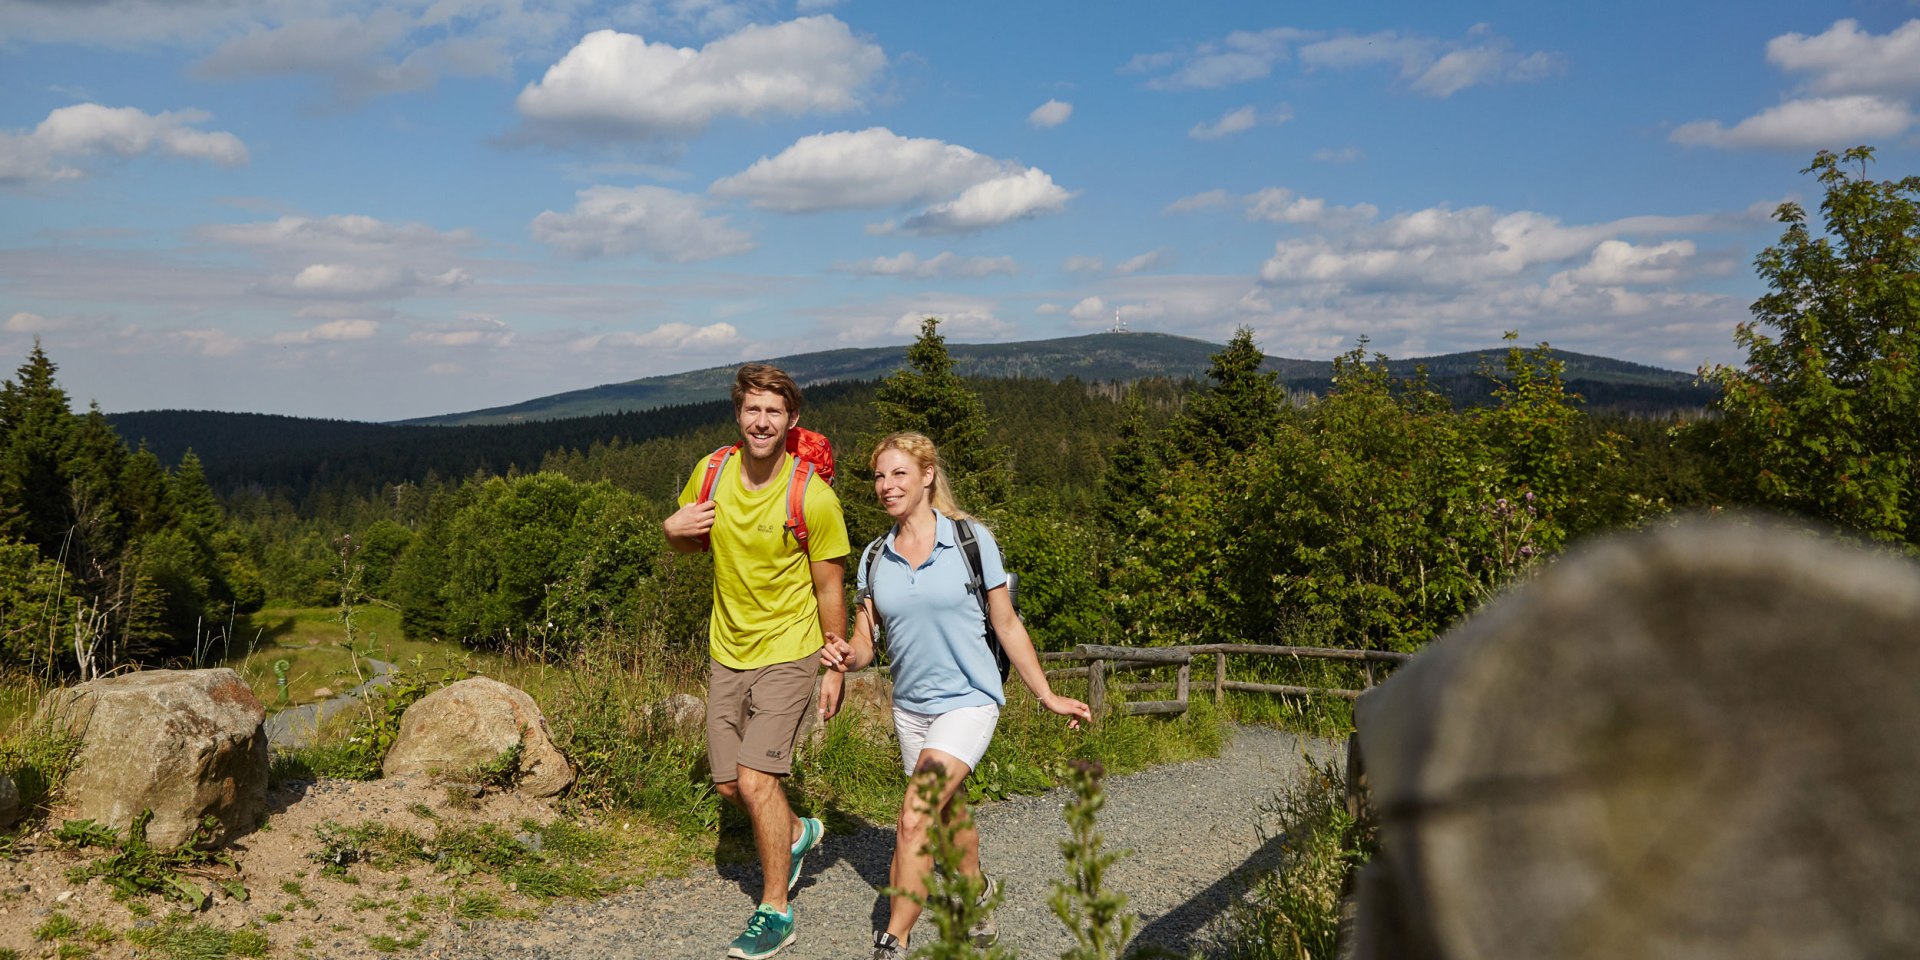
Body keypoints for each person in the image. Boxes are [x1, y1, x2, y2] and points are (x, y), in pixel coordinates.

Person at [819, 431, 1092, 960]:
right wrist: (843, 657)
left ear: (926, 475)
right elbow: (865, 642)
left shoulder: (970, 540)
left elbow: (1007, 625)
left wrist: (1047, 695)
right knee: (947, 813)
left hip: (969, 700)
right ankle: (977, 895)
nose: (886, 485)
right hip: (911, 709)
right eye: (879, 475)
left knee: (914, 814)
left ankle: (893, 940)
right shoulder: (876, 556)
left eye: (898, 473)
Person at [663, 363, 849, 960]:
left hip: (791, 651)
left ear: (791, 420)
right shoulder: (711, 472)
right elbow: (691, 538)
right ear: (738, 414)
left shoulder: (811, 495)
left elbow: (829, 587)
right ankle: (795, 833)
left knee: (757, 777)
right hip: (728, 648)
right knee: (727, 785)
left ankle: (775, 911)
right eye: (752, 409)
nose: (761, 421)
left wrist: (835, 664)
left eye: (773, 411)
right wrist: (671, 530)